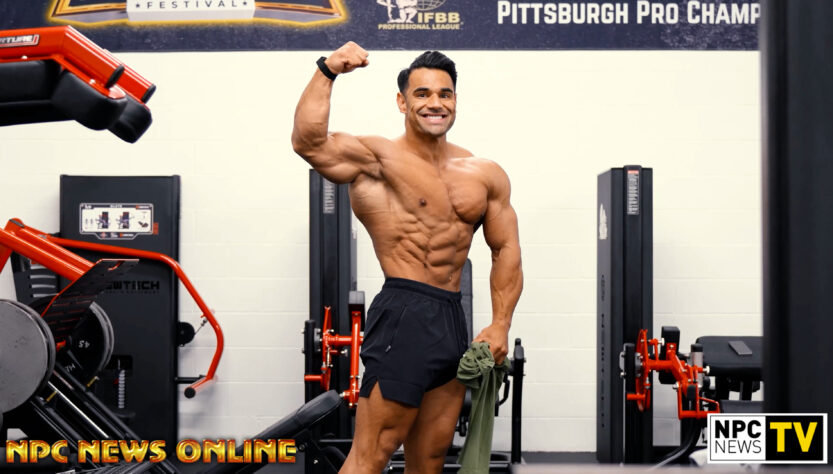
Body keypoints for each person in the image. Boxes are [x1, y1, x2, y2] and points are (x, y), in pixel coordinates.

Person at [291, 42, 523, 473]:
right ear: (402, 102)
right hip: (404, 314)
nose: (435, 103)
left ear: (455, 100)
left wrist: (500, 323)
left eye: (445, 94)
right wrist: (327, 70)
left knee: (431, 458)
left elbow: (505, 249)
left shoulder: (485, 173)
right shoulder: (376, 157)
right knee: (372, 453)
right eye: (422, 93)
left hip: (452, 317)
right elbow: (308, 143)